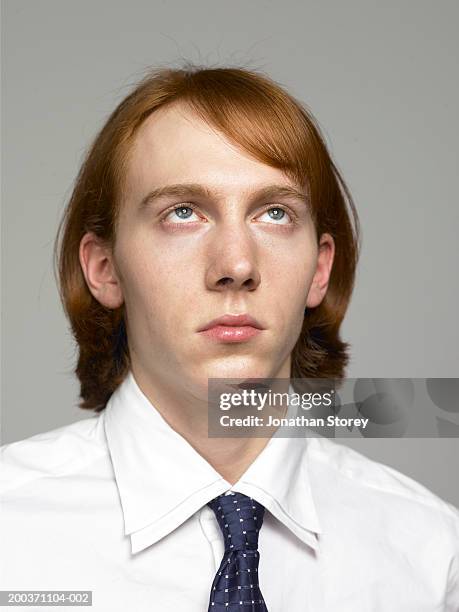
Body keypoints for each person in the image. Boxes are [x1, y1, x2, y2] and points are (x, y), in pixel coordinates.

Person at [1, 64, 458, 611]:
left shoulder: (432, 556)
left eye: (274, 213)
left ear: (319, 269)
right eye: (183, 212)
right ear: (105, 269)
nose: (237, 265)